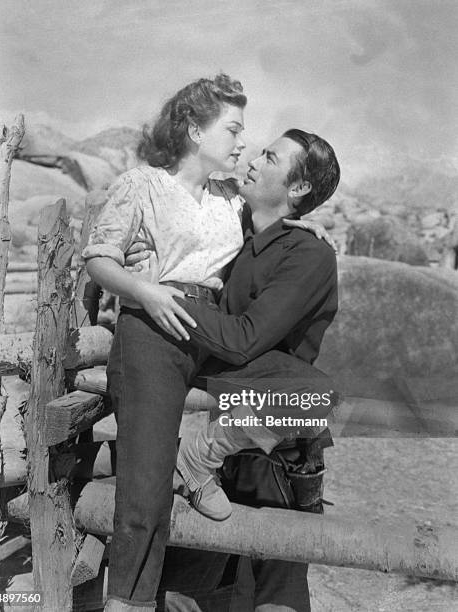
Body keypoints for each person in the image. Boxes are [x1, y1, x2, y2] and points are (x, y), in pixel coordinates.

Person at [83, 75, 329, 611]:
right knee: (145, 490)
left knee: (310, 395)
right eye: (234, 128)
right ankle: (129, 603)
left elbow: (271, 218)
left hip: (209, 330)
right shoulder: (140, 184)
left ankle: (199, 458)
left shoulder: (228, 200)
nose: (243, 143)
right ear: (195, 129)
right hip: (152, 328)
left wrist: (307, 227)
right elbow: (99, 258)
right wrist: (145, 293)